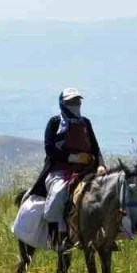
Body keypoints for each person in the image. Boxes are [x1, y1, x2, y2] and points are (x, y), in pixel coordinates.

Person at [28, 88, 104, 251]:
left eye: (77, 101)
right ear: (62, 104)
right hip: (60, 171)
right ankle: (57, 236)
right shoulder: (55, 123)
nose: (75, 104)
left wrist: (101, 165)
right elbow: (50, 149)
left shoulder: (85, 122)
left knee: (111, 192)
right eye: (71, 102)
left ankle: (110, 234)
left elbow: (95, 147)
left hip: (87, 169)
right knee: (58, 194)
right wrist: (74, 158)